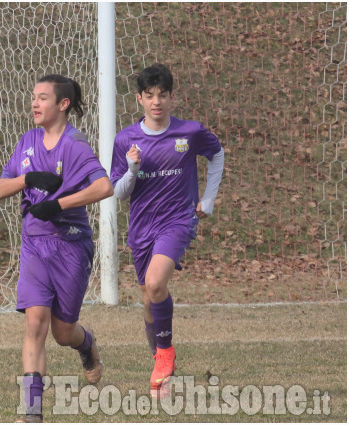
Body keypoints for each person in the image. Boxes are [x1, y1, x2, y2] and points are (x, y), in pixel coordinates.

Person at [0, 74, 114, 423]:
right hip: (34, 242)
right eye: (33, 97)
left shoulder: (75, 145)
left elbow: (104, 186)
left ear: (62, 105)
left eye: (43, 98)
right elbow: (0, 190)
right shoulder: (27, 141)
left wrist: (58, 206)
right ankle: (32, 412)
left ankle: (86, 344)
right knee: (35, 322)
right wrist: (27, 180)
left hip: (70, 244)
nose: (34, 103)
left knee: (63, 332)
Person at [110, 63, 224, 398]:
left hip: (177, 220)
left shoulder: (190, 132)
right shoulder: (126, 139)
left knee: (157, 283)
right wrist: (131, 169)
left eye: (162, 95)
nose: (156, 101)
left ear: (172, 98)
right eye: (149, 96)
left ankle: (165, 356)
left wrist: (209, 198)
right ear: (139, 99)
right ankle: (162, 371)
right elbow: (118, 191)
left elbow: (216, 154)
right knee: (148, 296)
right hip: (141, 226)